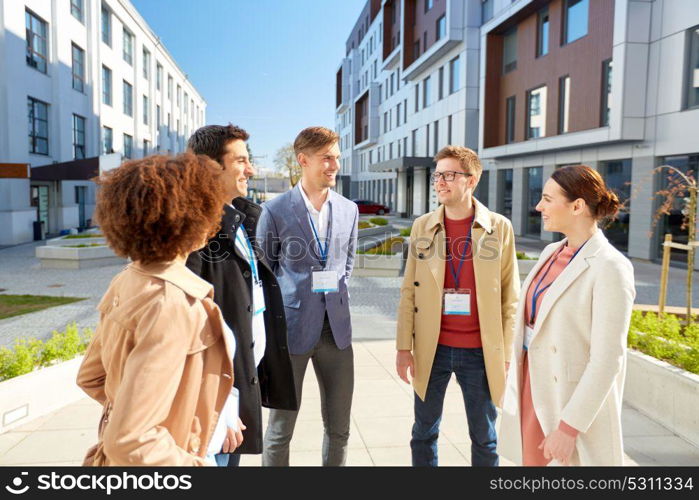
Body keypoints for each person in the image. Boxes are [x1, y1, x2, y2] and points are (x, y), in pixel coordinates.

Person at [77, 153, 237, 466]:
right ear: (191, 213)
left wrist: (135, 412)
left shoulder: (128, 279)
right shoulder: (173, 303)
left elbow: (91, 377)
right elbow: (130, 440)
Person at [498, 165, 636, 466]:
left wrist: (569, 426)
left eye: (547, 199)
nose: (539, 206)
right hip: (532, 383)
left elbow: (608, 358)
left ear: (577, 206)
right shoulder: (551, 251)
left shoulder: (610, 267)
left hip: (568, 399)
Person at [396, 146, 519, 466]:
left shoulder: (498, 227)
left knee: (485, 436)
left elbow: (511, 298)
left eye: (450, 175)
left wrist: (506, 354)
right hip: (430, 347)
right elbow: (409, 289)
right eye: (438, 175)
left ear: (472, 180)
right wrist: (402, 347)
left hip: (480, 349)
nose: (440, 182)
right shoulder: (423, 226)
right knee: (423, 431)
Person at [185, 124, 297, 466]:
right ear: (210, 167)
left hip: (236, 393)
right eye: (241, 161)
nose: (250, 170)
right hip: (211, 411)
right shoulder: (191, 232)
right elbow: (187, 334)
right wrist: (216, 409)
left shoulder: (240, 220)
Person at [258, 126, 359, 466]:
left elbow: (347, 263)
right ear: (303, 160)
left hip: (337, 332)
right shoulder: (274, 210)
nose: (333, 166)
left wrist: (332, 292)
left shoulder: (349, 210)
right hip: (291, 332)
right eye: (326, 158)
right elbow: (264, 273)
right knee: (280, 429)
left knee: (339, 428)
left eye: (337, 158)